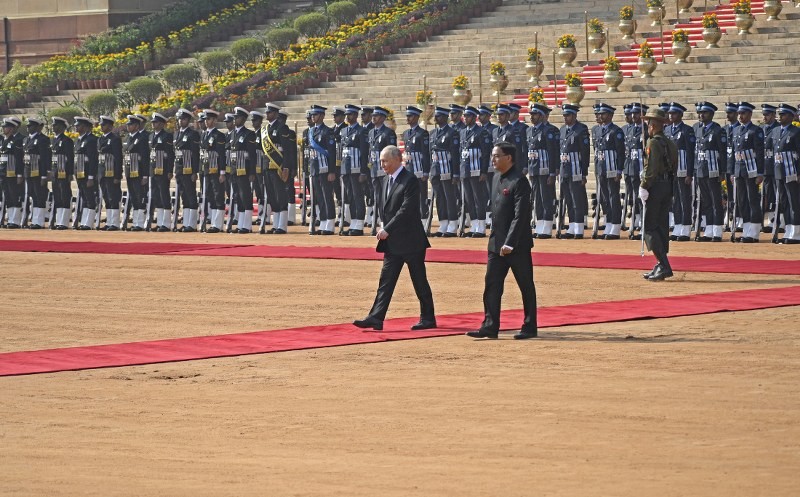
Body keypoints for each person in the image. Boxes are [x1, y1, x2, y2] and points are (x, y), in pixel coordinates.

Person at [354, 145, 436, 332]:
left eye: (385, 161)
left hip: (411, 241)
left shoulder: (410, 180)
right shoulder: (385, 180)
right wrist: (385, 228)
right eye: (381, 161)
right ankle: (376, 317)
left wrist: (387, 229)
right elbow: (387, 210)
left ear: (397, 159)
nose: (382, 164)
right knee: (386, 281)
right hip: (392, 242)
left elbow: (406, 210)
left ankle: (428, 317)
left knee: (419, 280)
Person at [466, 142, 537, 340]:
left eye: (497, 156)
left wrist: (510, 242)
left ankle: (530, 326)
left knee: (525, 285)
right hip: (496, 244)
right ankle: (490, 326)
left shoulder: (520, 181)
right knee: (492, 285)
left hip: (516, 245)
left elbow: (520, 216)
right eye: (493, 155)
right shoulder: (496, 177)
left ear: (509, 158)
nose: (493, 159)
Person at [639, 108, 678, 281]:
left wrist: (644, 185)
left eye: (648, 124)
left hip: (655, 186)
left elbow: (651, 168)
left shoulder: (653, 142)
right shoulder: (669, 142)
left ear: (652, 126)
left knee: (649, 227)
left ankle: (664, 264)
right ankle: (660, 263)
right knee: (661, 226)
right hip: (667, 185)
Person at [731, 102, 765, 243]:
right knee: (742, 201)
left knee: (753, 200)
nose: (740, 116)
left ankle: (754, 232)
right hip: (739, 170)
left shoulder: (755, 131)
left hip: (751, 170)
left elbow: (760, 153)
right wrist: (733, 172)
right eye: (739, 113)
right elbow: (734, 153)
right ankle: (746, 230)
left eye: (743, 113)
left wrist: (760, 172)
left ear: (750, 114)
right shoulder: (736, 130)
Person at [693, 102, 727, 242]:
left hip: (713, 169)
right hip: (701, 169)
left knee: (715, 201)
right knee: (706, 201)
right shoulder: (697, 128)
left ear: (712, 114)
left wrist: (723, 171)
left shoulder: (718, 130)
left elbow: (723, 153)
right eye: (700, 113)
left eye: (705, 112)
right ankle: (708, 229)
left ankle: (717, 231)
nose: (701, 115)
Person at [527, 102, 560, 239]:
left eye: (535, 114)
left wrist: (552, 172)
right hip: (534, 169)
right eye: (531, 114)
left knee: (546, 198)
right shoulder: (529, 131)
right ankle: (539, 225)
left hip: (545, 169)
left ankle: (546, 227)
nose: (532, 117)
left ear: (541, 116)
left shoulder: (550, 130)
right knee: (537, 199)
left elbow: (552, 152)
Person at [664, 102, 696, 241]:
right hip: (671, 170)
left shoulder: (687, 130)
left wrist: (690, 173)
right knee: (675, 200)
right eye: (670, 113)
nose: (671, 116)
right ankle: (677, 226)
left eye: (674, 113)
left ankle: (686, 228)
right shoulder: (666, 130)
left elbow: (690, 152)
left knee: (684, 199)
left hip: (683, 169)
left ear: (681, 115)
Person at [772, 103, 800, 244]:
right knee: (784, 203)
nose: (780, 116)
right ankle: (788, 231)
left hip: (792, 171)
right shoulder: (776, 131)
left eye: (783, 114)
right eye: (779, 114)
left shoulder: (796, 132)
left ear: (791, 116)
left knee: (794, 202)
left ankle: (796, 233)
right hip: (779, 172)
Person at [22, 117, 51, 229]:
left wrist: (44, 175)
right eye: (28, 126)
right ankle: (34, 219)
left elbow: (45, 158)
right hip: (28, 171)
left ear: (37, 127)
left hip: (38, 171)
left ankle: (39, 221)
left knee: (40, 196)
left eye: (31, 126)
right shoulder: (26, 140)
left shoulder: (43, 139)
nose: (28, 128)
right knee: (32, 195)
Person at [149, 112, 175, 232]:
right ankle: (160, 222)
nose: (154, 124)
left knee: (164, 195)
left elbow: (170, 154)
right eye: (153, 122)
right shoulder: (151, 136)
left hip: (163, 169)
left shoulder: (166, 136)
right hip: (153, 169)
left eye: (156, 122)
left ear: (162, 124)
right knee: (156, 196)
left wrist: (170, 170)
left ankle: (166, 223)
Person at [97, 115, 123, 231]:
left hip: (111, 172)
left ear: (110, 126)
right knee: (106, 198)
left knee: (113, 197)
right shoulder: (100, 139)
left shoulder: (115, 139)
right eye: (101, 124)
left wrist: (117, 175)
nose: (101, 127)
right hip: (102, 172)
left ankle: (115, 222)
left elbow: (118, 158)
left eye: (104, 125)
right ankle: (109, 221)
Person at [73, 116, 99, 230]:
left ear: (85, 127)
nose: (76, 127)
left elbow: (93, 160)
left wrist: (91, 177)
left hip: (88, 173)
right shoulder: (79, 139)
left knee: (90, 198)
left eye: (78, 125)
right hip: (80, 173)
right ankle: (84, 221)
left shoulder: (92, 140)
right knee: (84, 197)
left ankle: (88, 223)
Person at [49, 117, 74, 229]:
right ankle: (58, 221)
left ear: (62, 127)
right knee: (57, 196)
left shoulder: (67, 141)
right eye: (53, 125)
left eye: (56, 125)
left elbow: (70, 158)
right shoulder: (53, 140)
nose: (53, 127)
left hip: (63, 172)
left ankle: (64, 222)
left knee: (64, 195)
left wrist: (70, 173)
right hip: (55, 172)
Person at [1, 117, 24, 228]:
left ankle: (15, 220)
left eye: (5, 127)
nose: (3, 129)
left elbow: (19, 159)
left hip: (13, 172)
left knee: (15, 196)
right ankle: (10, 219)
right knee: (8, 196)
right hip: (4, 173)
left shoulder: (17, 141)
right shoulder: (5, 140)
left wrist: (19, 174)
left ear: (11, 129)